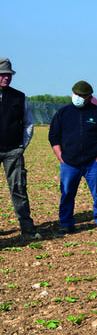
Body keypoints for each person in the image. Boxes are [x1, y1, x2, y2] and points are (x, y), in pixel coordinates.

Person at [48, 81, 97, 234]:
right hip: (69, 163)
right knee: (67, 194)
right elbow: (54, 136)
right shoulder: (62, 113)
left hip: (93, 162)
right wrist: (60, 156)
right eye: (76, 94)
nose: (78, 97)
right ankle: (66, 223)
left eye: (82, 95)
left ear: (89, 97)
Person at [0, 58, 40, 238]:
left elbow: (28, 123)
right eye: (2, 75)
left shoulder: (18, 96)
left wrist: (22, 145)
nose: (6, 78)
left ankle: (27, 227)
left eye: (8, 75)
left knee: (18, 187)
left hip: (13, 151)